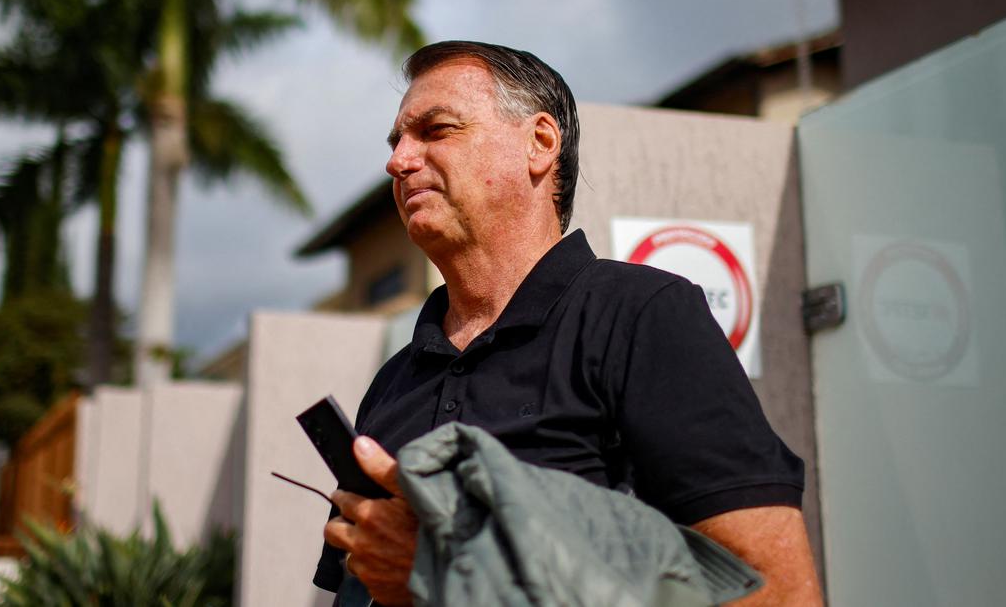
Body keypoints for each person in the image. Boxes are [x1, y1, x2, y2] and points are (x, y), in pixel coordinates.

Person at [319, 42, 821, 606]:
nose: (399, 161)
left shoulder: (643, 314)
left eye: (436, 130)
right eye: (396, 142)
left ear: (539, 144)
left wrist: (441, 570)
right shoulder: (393, 383)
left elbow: (775, 591)